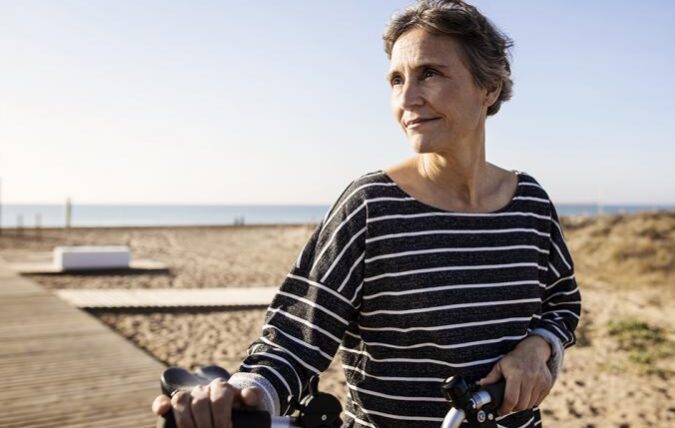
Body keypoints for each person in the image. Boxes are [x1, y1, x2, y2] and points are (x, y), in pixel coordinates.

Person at [152, 1, 581, 427]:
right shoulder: (371, 205)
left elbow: (562, 302)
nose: (407, 98)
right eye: (397, 79)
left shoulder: (530, 202)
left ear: (488, 87)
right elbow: (294, 339)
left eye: (429, 73)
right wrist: (248, 393)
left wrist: (538, 347)